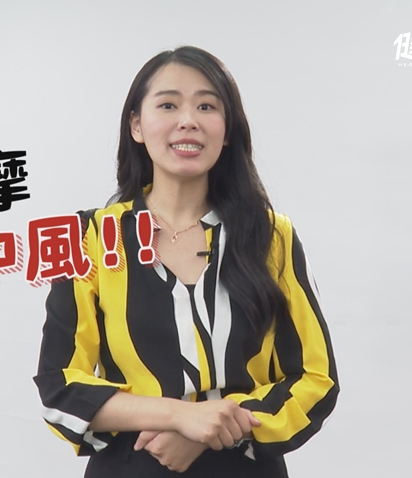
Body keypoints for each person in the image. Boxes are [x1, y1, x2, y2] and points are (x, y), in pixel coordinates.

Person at [34, 46, 338, 477]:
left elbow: (315, 378)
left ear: (227, 131)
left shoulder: (271, 236)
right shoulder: (89, 238)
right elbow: (60, 386)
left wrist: (211, 429)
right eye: (168, 105)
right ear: (136, 125)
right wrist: (180, 417)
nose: (188, 120)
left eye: (207, 106)